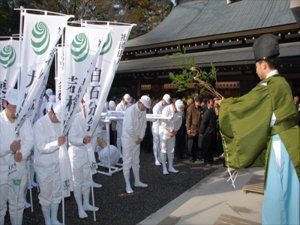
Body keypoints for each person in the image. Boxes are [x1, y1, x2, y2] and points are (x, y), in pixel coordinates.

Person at [218, 34, 300, 225]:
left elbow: (246, 104)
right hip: (291, 141)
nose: (255, 70)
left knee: (277, 194)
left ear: (264, 64)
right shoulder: (283, 83)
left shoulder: (269, 86)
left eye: (256, 65)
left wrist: (225, 106)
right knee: (290, 193)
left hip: (282, 145)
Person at [0, 89, 34, 225]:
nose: (16, 110)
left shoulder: (23, 121)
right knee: (1, 206)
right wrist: (9, 149)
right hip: (1, 172)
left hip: (18, 171)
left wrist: (23, 153)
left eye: (18, 107)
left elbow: (30, 140)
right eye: (13, 106)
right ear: (4, 103)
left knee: (17, 205)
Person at [33, 103, 66, 225]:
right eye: (58, 119)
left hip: (57, 163)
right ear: (52, 113)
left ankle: (54, 218)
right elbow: (41, 147)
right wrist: (57, 143)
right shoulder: (40, 124)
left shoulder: (59, 123)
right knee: (46, 195)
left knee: (57, 192)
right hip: (44, 167)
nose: (58, 122)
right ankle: (47, 220)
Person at [68, 99, 99, 219]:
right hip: (76, 154)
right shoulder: (75, 119)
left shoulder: (93, 119)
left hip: (88, 153)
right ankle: (80, 206)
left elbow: (95, 136)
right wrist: (82, 141)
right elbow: (71, 138)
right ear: (83, 105)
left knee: (87, 179)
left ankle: (86, 203)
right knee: (78, 182)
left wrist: (91, 145)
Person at [122, 95, 151, 194]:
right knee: (127, 162)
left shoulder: (143, 111)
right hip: (127, 140)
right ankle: (127, 185)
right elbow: (129, 128)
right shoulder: (130, 111)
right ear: (140, 103)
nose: (146, 109)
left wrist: (141, 138)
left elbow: (144, 125)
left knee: (136, 161)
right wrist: (136, 138)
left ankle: (137, 181)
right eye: (145, 107)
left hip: (137, 139)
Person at [159, 99, 185, 175]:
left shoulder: (180, 111)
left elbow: (179, 122)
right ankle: (164, 168)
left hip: (173, 132)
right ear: (174, 105)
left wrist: (175, 131)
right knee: (163, 150)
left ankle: (171, 167)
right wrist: (167, 132)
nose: (178, 111)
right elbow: (162, 122)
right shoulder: (166, 109)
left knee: (171, 149)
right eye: (177, 109)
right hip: (164, 132)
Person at [151, 94, 171, 165]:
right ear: (163, 100)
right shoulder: (156, 107)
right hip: (156, 126)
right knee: (156, 143)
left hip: (162, 127)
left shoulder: (166, 106)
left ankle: (160, 157)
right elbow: (156, 119)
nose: (166, 103)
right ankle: (156, 158)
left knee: (162, 143)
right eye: (166, 102)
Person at [199, 98, 217, 166]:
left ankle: (207, 161)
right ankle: (210, 160)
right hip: (212, 131)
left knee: (206, 147)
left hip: (207, 132)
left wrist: (201, 132)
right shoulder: (213, 112)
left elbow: (203, 123)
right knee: (210, 147)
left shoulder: (207, 112)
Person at [186, 95, 203, 162]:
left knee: (196, 144)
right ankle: (190, 156)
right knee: (191, 144)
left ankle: (195, 156)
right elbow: (188, 119)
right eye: (199, 102)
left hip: (198, 128)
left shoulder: (200, 108)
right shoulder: (190, 108)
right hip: (192, 128)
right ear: (196, 101)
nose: (200, 103)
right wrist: (188, 129)